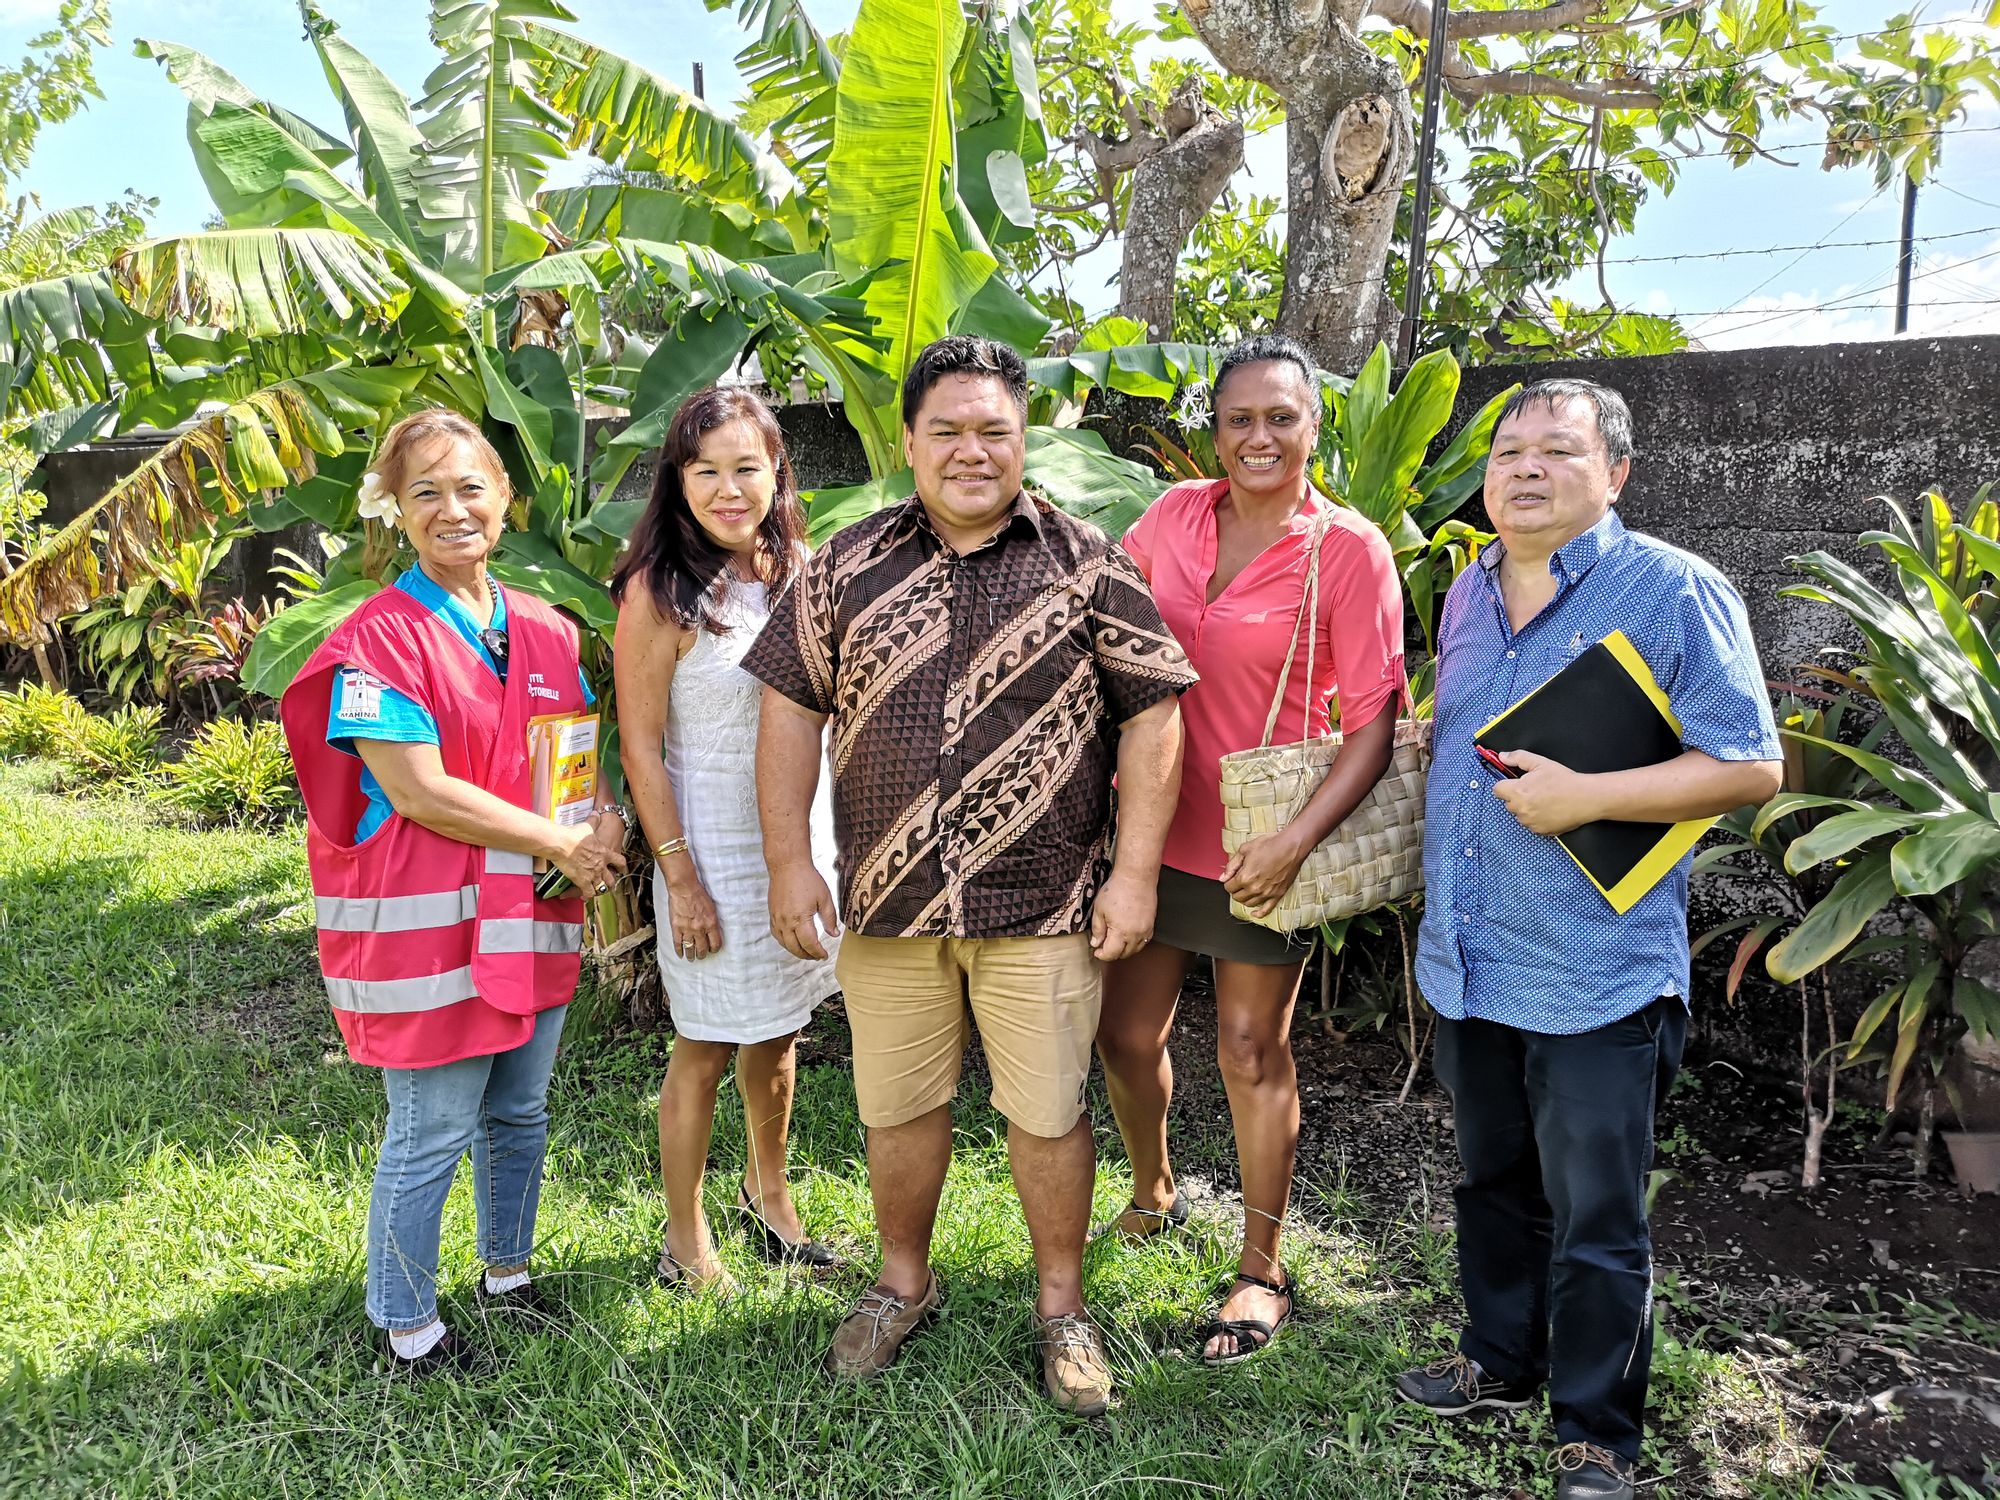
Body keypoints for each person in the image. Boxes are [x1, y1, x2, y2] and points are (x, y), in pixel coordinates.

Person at [744, 335, 1197, 1416]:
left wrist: (1133, 875)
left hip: (1040, 903)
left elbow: (1154, 716)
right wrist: (785, 862)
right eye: (944, 429)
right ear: (907, 441)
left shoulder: (1088, 560)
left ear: (1023, 436)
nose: (969, 450)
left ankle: (1061, 1310)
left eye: (993, 429)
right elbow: (788, 715)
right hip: (888, 904)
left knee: (1046, 1113)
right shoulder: (844, 566)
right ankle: (901, 1282)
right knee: (896, 1107)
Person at [1396, 380, 1782, 1500]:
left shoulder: (1670, 589)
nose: (1522, 469)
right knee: (1490, 1184)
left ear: (1613, 472)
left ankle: (1595, 1436)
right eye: (1506, 450)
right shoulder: (1467, 593)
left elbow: (1749, 766)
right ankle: (1496, 1361)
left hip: (1594, 970)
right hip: (1471, 956)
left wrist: (1587, 796)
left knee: (1596, 1221)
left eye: (1555, 451)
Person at [279, 409, 631, 1375]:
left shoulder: (549, 631)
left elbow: (573, 761)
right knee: (431, 1126)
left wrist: (603, 819)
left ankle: (508, 1273)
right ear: (395, 511)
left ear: (505, 499)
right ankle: (405, 1323)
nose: (452, 509)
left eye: (470, 486)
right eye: (424, 491)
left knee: (521, 1109)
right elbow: (416, 789)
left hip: (532, 912)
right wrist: (562, 835)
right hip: (425, 925)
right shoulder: (377, 640)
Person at [1095, 333, 1406, 1364]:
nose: (1259, 436)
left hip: (1258, 842)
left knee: (1246, 1047)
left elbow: (1373, 721)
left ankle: (1259, 1268)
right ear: (1212, 429)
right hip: (1145, 830)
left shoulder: (1345, 548)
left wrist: (1295, 839)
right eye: (1239, 418)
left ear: (1313, 425)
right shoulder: (1170, 517)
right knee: (1124, 1037)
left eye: (1281, 417)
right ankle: (1151, 1190)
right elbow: (1103, 641)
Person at [612, 387, 842, 1296]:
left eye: (745, 466)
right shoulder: (658, 591)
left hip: (792, 839)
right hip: (704, 842)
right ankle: (684, 1232)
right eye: (705, 470)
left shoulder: (796, 567)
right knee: (704, 1043)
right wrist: (681, 878)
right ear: (678, 481)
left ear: (776, 469)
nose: (727, 488)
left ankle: (768, 1195)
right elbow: (639, 745)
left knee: (780, 1029)